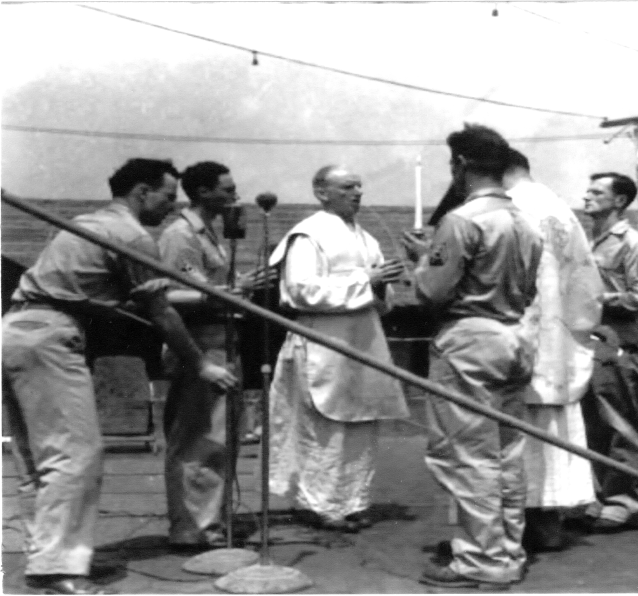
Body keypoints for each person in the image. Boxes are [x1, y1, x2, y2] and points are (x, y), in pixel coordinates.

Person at [1, 160, 236, 595]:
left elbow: (117, 300)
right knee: (75, 455)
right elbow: (161, 313)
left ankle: (45, 557)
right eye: (167, 197)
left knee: (39, 459)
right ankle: (58, 571)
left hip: (16, 331)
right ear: (143, 192)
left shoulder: (87, 224)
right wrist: (202, 364)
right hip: (50, 336)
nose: (171, 207)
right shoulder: (131, 236)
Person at [402, 124, 543, 588]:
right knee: (505, 452)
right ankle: (506, 548)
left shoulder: (463, 220)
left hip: (471, 338)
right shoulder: (524, 219)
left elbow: (432, 292)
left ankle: (483, 561)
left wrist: (422, 261)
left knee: (466, 454)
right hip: (515, 334)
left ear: (460, 164)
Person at [266, 165, 409, 533]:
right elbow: (301, 290)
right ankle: (319, 505)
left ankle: (353, 501)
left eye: (359, 186)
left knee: (361, 421)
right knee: (324, 425)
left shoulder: (366, 237)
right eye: (347, 186)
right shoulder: (308, 235)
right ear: (321, 192)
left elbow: (383, 293)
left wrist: (382, 283)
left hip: (363, 337)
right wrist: (367, 280)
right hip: (323, 339)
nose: (357, 192)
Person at [157, 161, 265, 548]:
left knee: (219, 439)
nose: (234, 195)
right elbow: (167, 295)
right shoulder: (180, 235)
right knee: (198, 439)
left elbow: (209, 287)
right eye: (227, 188)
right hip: (198, 344)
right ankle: (192, 529)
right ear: (203, 191)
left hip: (222, 340)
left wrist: (238, 287)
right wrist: (223, 294)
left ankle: (209, 521)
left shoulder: (210, 235)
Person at [502, 148, 604, 551]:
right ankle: (547, 521)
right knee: (549, 431)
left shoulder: (508, 208)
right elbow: (586, 283)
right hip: (559, 339)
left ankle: (516, 529)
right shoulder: (561, 208)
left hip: (521, 336)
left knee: (515, 433)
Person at [581, 172, 638, 532]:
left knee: (623, 423)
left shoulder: (633, 242)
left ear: (620, 201)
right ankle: (599, 495)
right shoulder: (584, 240)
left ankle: (626, 500)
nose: (586, 197)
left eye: (596, 192)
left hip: (620, 342)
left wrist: (596, 299)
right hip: (589, 342)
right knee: (593, 423)